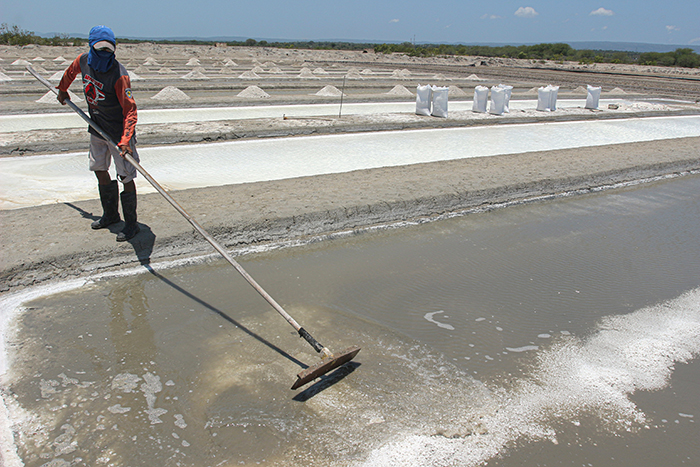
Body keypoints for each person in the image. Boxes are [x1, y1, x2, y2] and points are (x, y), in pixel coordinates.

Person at [57, 25, 140, 242]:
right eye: (100, 50)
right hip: (96, 126)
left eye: (108, 51)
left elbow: (130, 110)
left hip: (119, 132)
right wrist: (62, 89)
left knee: (126, 176)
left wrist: (125, 140)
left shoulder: (119, 75)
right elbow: (70, 73)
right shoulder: (83, 61)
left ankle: (131, 225)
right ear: (91, 47)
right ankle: (111, 215)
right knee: (99, 168)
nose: (104, 54)